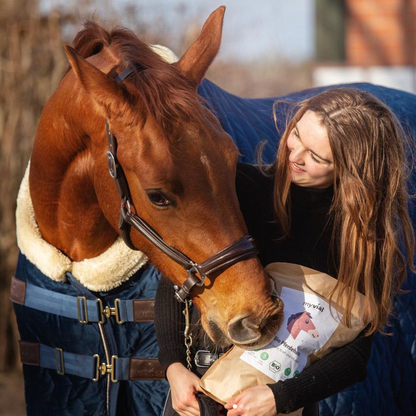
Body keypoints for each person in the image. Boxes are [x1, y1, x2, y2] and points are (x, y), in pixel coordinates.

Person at [154, 88, 415, 416]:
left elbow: (356, 357)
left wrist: (283, 396)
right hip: (194, 395)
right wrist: (174, 367)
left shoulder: (363, 243)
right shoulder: (239, 190)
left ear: (352, 170)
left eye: (316, 157)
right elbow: (176, 279)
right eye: (296, 135)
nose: (296, 155)